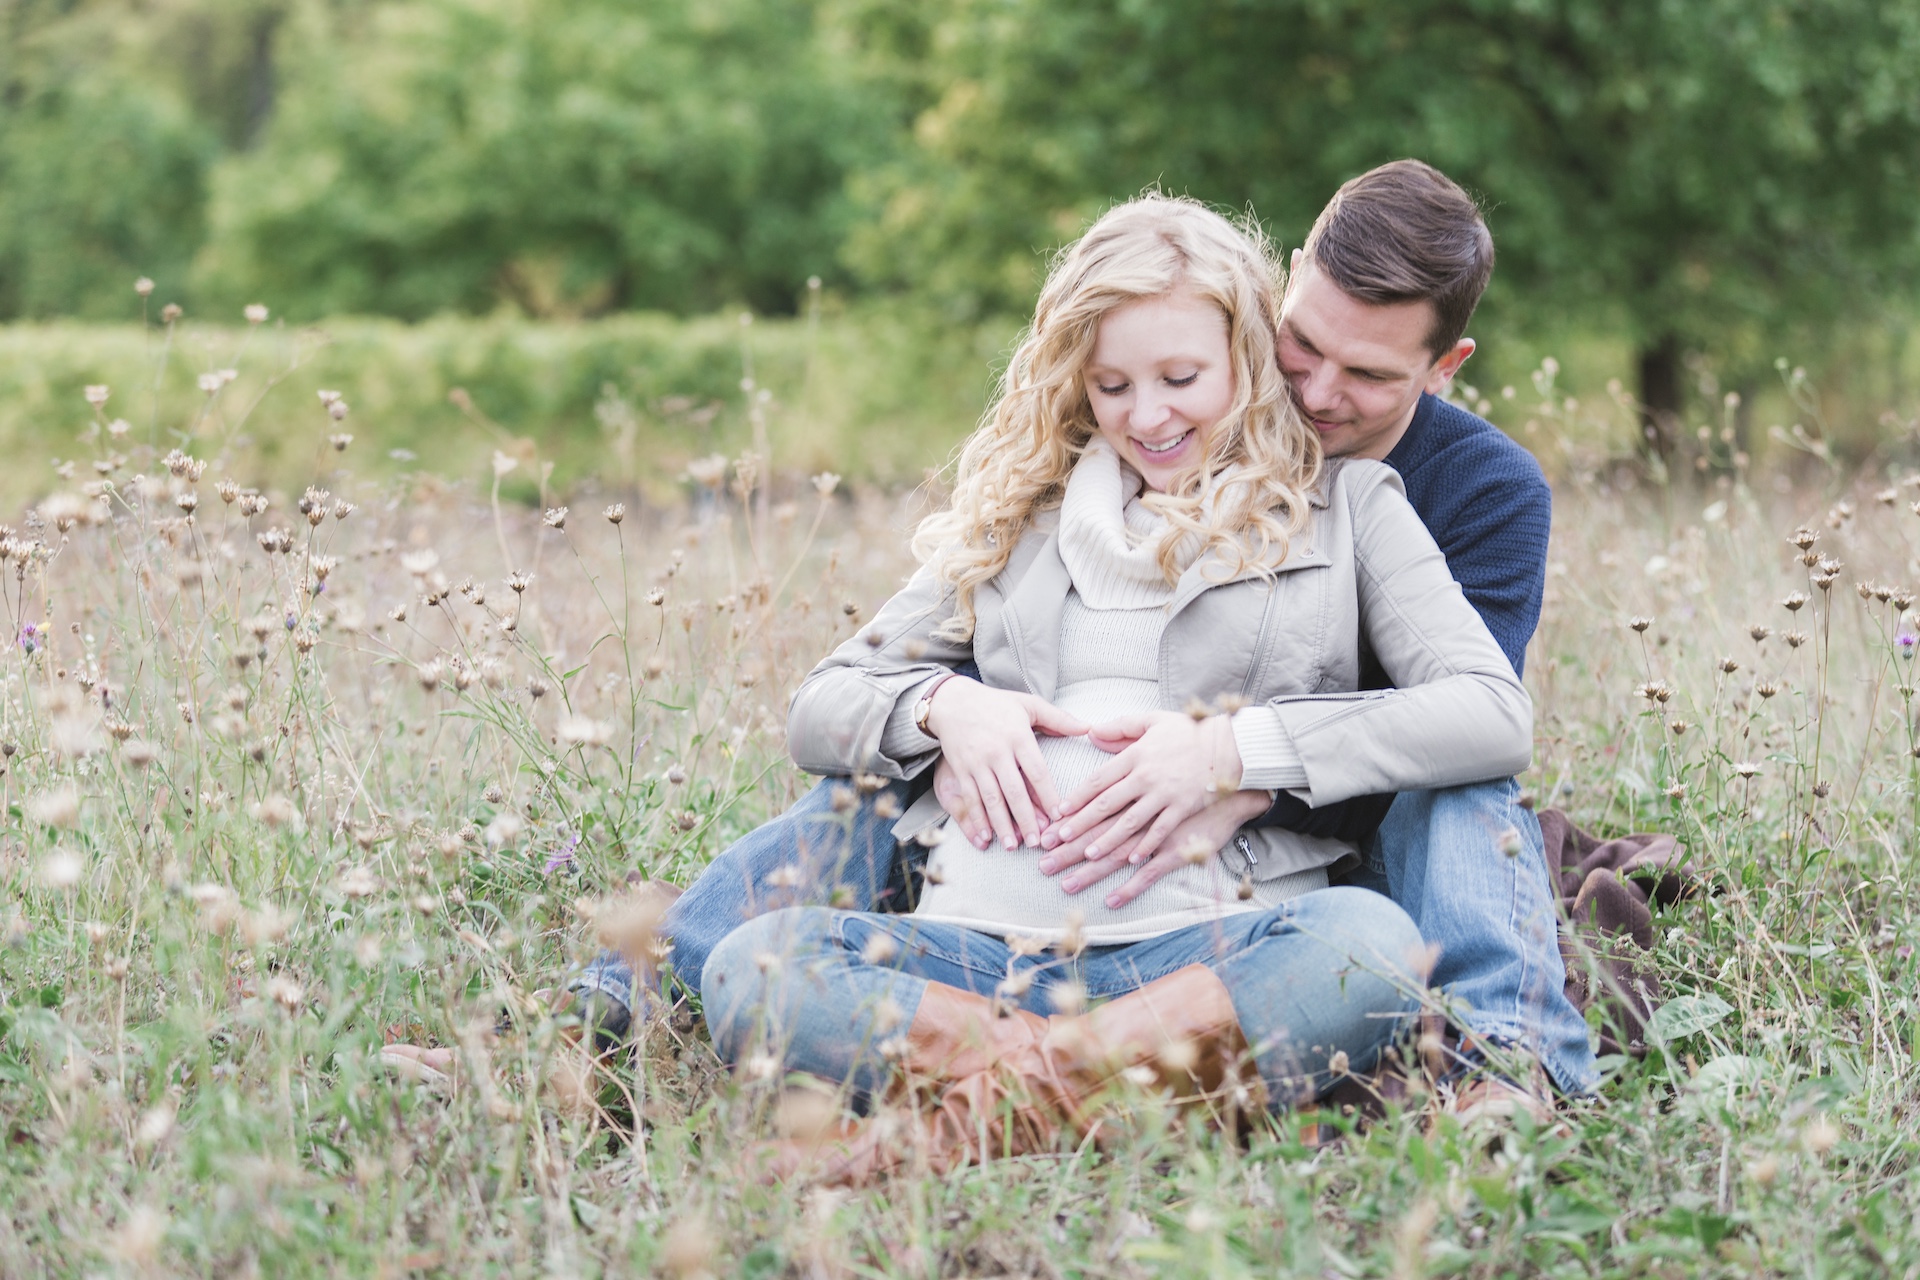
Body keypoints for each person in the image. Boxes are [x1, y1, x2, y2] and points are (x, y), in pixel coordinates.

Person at [564, 161, 1596, 1116]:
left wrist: (1234, 759)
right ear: (1272, 304)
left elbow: (1461, 726)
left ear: (1446, 362)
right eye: (1302, 348)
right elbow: (852, 692)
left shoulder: (1404, 498)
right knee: (833, 842)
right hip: (1001, 911)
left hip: (1278, 858)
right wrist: (946, 709)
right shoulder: (1055, 491)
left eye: (1365, 373)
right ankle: (604, 1016)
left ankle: (1503, 1056)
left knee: (1412, 877)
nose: (1316, 395)